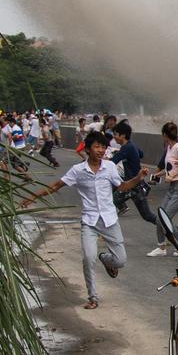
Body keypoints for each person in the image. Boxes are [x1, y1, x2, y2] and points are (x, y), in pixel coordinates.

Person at [20, 131, 148, 310]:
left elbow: (122, 186)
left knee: (120, 261)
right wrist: (33, 197)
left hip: (110, 219)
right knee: (88, 258)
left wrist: (138, 178)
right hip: (89, 221)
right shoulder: (78, 171)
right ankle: (93, 297)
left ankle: (105, 258)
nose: (101, 150)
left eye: (103, 147)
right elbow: (57, 185)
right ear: (88, 149)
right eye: (97, 146)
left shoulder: (110, 167)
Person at [146, 122, 178, 256]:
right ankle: (161, 247)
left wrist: (172, 175)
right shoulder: (169, 148)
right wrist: (157, 175)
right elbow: (170, 168)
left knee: (164, 219)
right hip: (172, 188)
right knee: (159, 218)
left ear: (164, 135)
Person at [109, 121, 155, 223]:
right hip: (134, 185)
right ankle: (169, 228)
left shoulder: (126, 148)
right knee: (147, 215)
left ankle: (170, 228)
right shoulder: (131, 145)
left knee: (147, 215)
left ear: (123, 135)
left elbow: (112, 162)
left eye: (116, 134)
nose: (114, 137)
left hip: (134, 186)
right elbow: (141, 154)